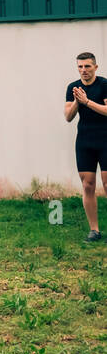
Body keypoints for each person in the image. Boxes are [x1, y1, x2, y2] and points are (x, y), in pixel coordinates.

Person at [64, 52, 107, 241]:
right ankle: (94, 230)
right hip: (85, 141)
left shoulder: (104, 85)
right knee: (88, 185)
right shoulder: (73, 88)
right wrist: (77, 101)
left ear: (95, 67)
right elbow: (68, 117)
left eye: (87, 66)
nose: (84, 70)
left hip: (105, 139)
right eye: (80, 67)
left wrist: (87, 102)